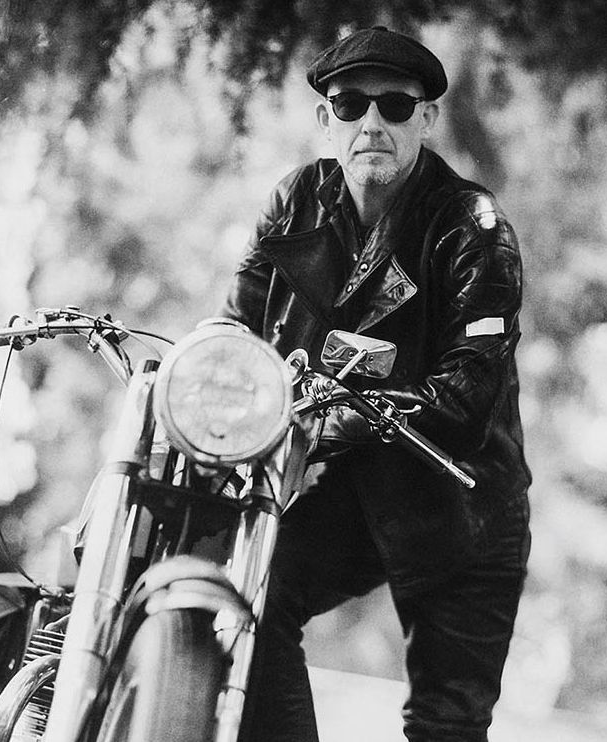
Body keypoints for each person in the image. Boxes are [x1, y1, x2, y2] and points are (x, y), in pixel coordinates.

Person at [221, 25, 532, 742]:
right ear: (325, 118)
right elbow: (236, 332)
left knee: (445, 727)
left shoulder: (473, 226)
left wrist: (329, 422)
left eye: (395, 106)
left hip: (462, 508)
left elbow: (466, 399)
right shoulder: (294, 202)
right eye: (351, 104)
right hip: (354, 493)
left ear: (426, 118)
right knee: (252, 598)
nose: (372, 123)